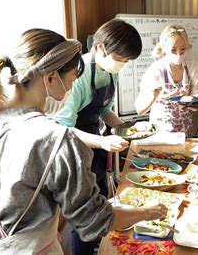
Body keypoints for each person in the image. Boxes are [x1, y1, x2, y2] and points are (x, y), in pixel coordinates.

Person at [0, 29, 167, 254]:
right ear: (50, 78)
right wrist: (148, 212)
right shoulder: (56, 140)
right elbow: (94, 220)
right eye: (70, 80)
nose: (70, 88)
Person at [54, 19, 143, 254]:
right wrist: (104, 141)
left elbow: (103, 110)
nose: (122, 65)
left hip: (95, 142)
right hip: (73, 149)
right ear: (100, 47)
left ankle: (98, 247)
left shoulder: (108, 71)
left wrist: (126, 128)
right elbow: (64, 129)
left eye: (126, 61)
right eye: (120, 59)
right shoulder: (79, 73)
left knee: (101, 205)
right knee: (85, 216)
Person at [134, 25, 198, 137]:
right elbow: (140, 109)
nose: (178, 54)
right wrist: (155, 96)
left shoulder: (193, 68)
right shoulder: (156, 70)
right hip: (160, 130)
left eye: (183, 49)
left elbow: (196, 93)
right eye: (173, 50)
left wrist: (195, 101)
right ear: (164, 49)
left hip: (185, 128)